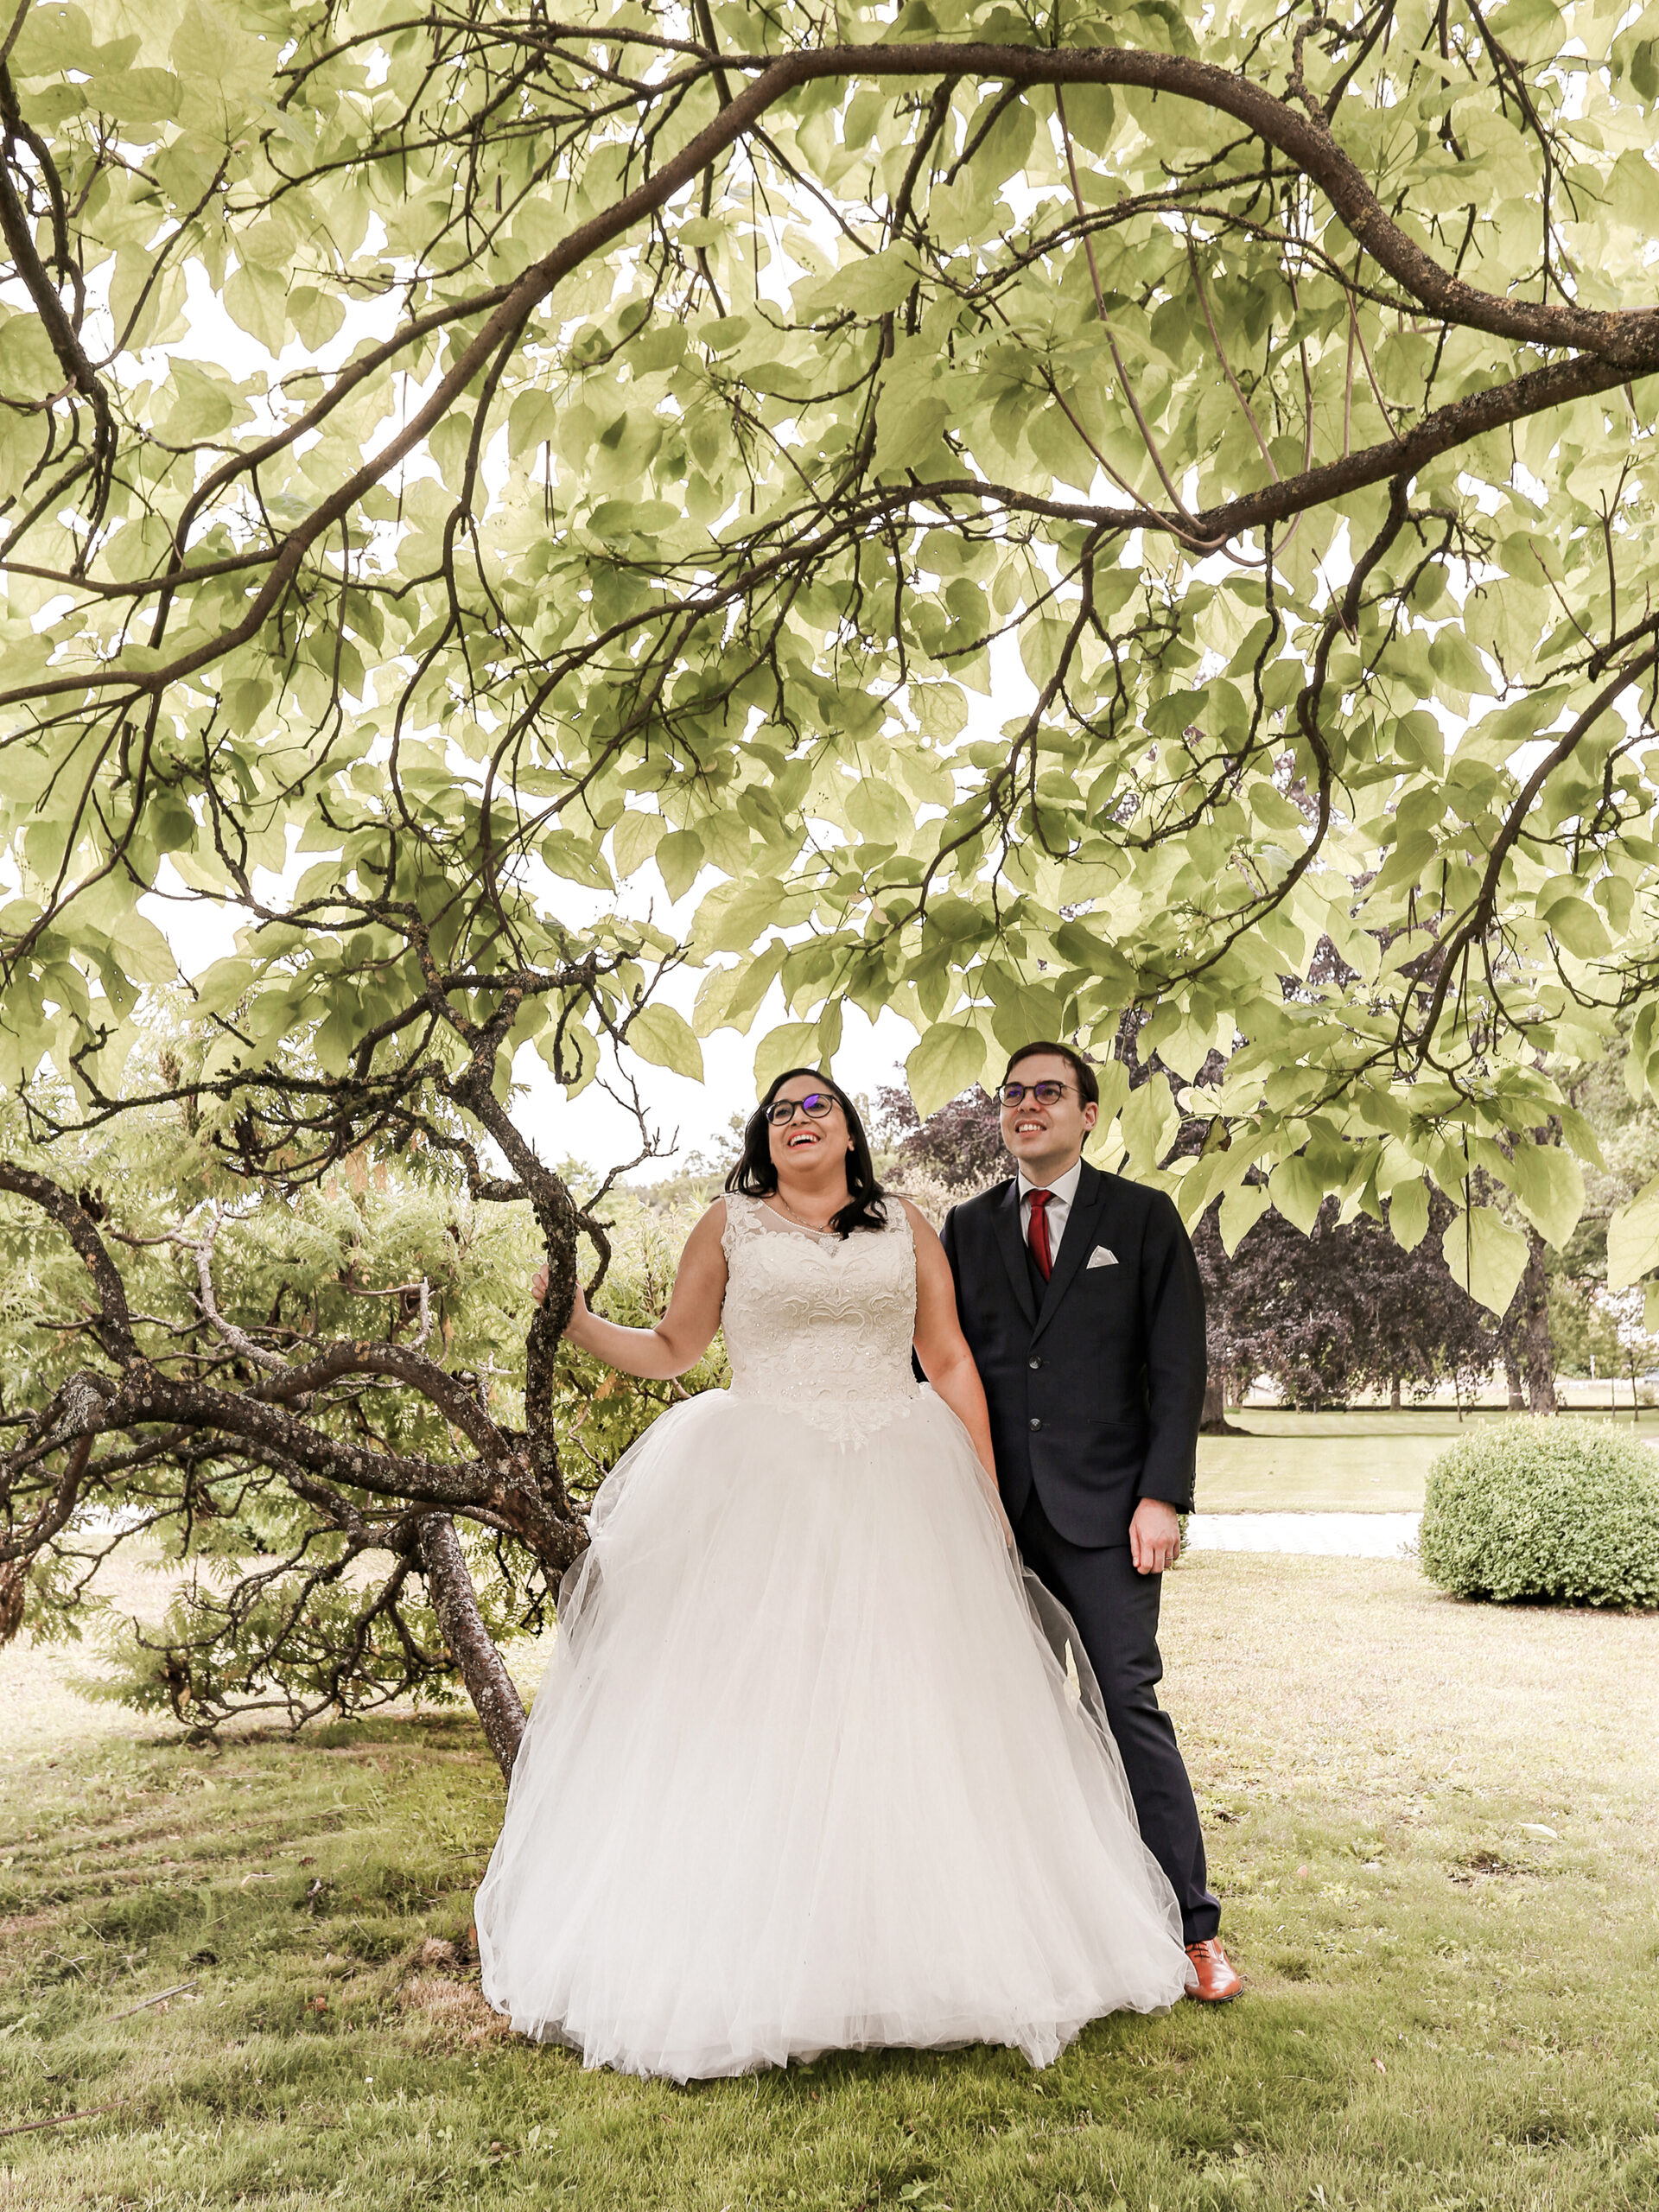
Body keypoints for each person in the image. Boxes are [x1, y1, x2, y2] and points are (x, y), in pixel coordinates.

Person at [475, 1069, 1193, 2079]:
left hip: (901, 1477)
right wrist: (582, 1320)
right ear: (762, 1140)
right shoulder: (728, 1224)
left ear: (851, 1131)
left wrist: (985, 1495)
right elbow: (677, 1348)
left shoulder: (906, 1223)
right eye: (779, 1110)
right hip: (760, 1485)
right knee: (760, 1711)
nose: (799, 1120)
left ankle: (921, 1950)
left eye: (818, 1106)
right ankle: (753, 1960)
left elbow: (945, 1360)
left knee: (912, 1711)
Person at [938, 1041, 1241, 2003]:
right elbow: (941, 1364)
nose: (1027, 1106)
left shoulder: (1144, 1220)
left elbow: (1178, 1368)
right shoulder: (962, 1226)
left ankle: (1193, 1929)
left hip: (1110, 1516)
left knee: (1127, 1707)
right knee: (999, 1721)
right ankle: (1024, 1925)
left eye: (1048, 1092)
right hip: (991, 1515)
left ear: (1088, 1112)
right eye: (1013, 1094)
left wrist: (1163, 1496)